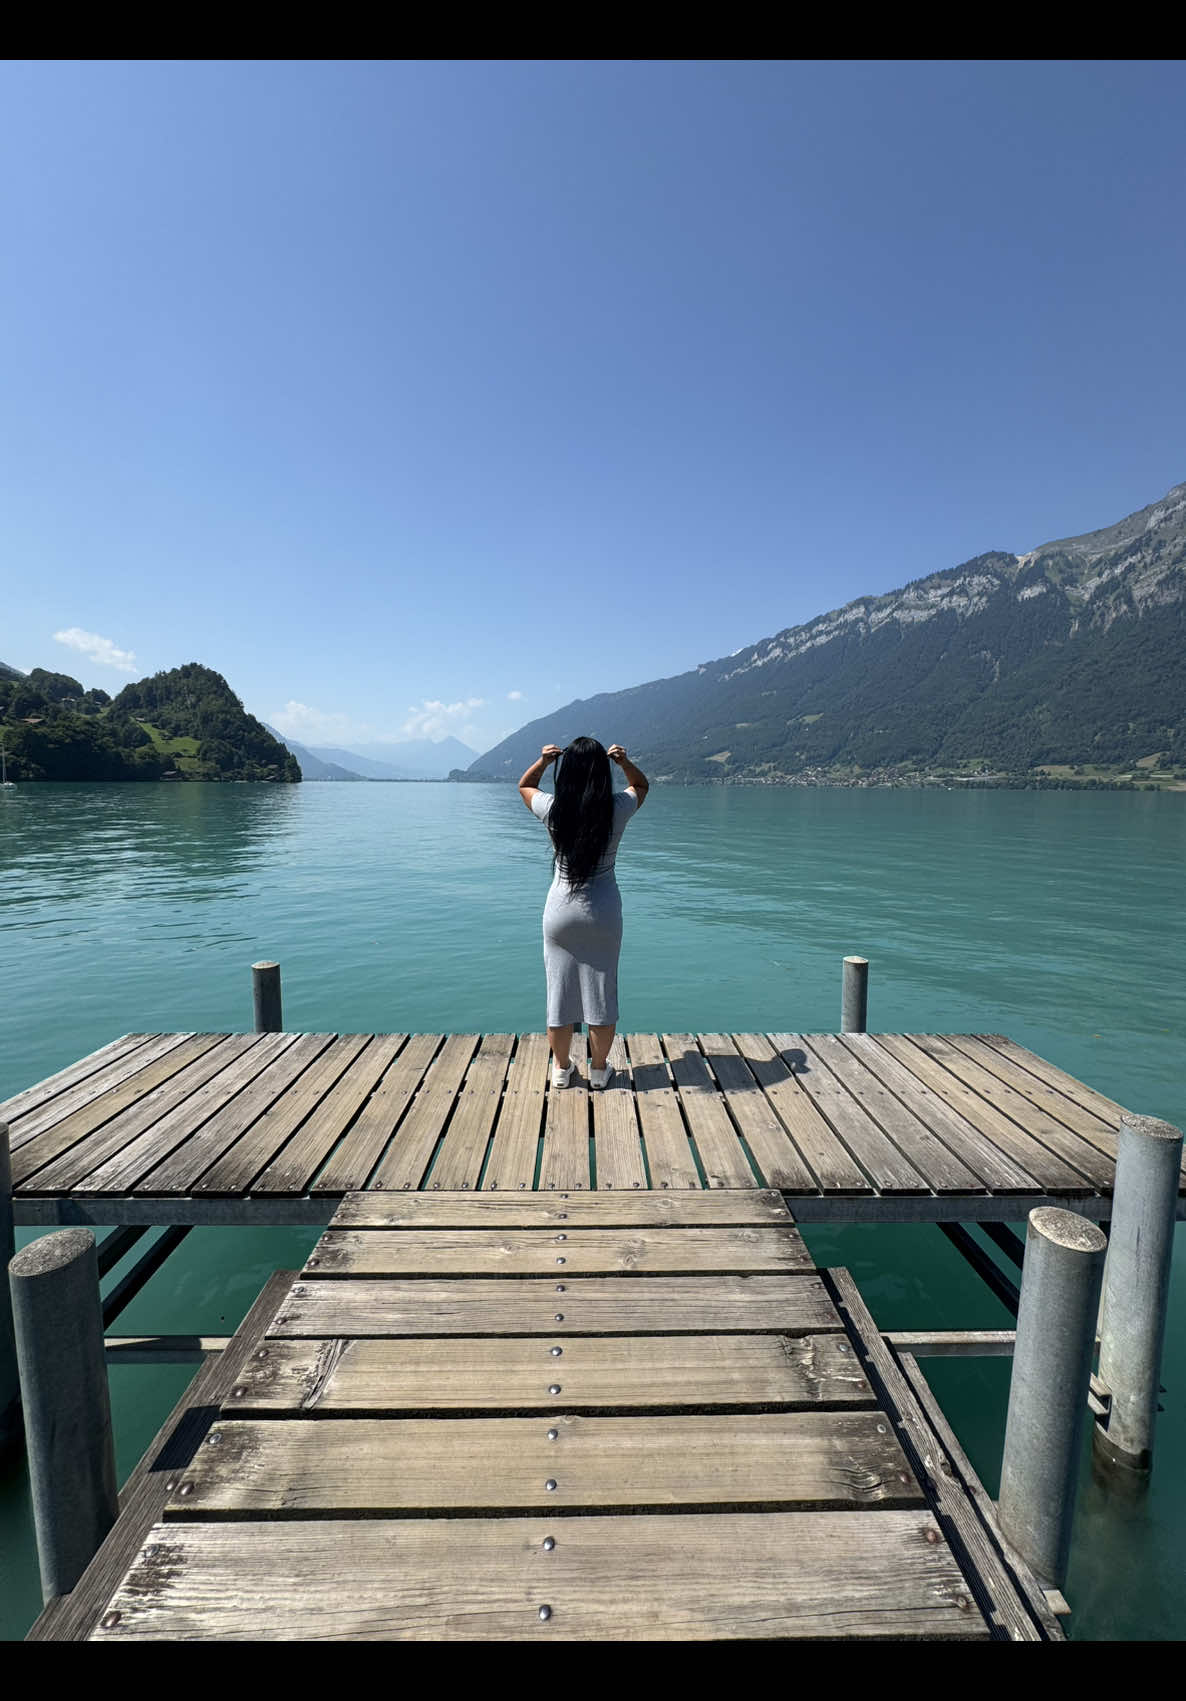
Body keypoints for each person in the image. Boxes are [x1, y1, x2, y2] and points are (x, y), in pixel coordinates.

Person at [518, 737, 649, 1089]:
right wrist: (624, 761)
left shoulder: (553, 808)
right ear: (602, 772)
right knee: (601, 991)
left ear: (567, 772)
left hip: (560, 912)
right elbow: (641, 785)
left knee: (559, 993)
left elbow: (525, 786)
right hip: (603, 912)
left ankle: (561, 1070)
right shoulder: (617, 807)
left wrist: (544, 761)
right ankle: (599, 1070)